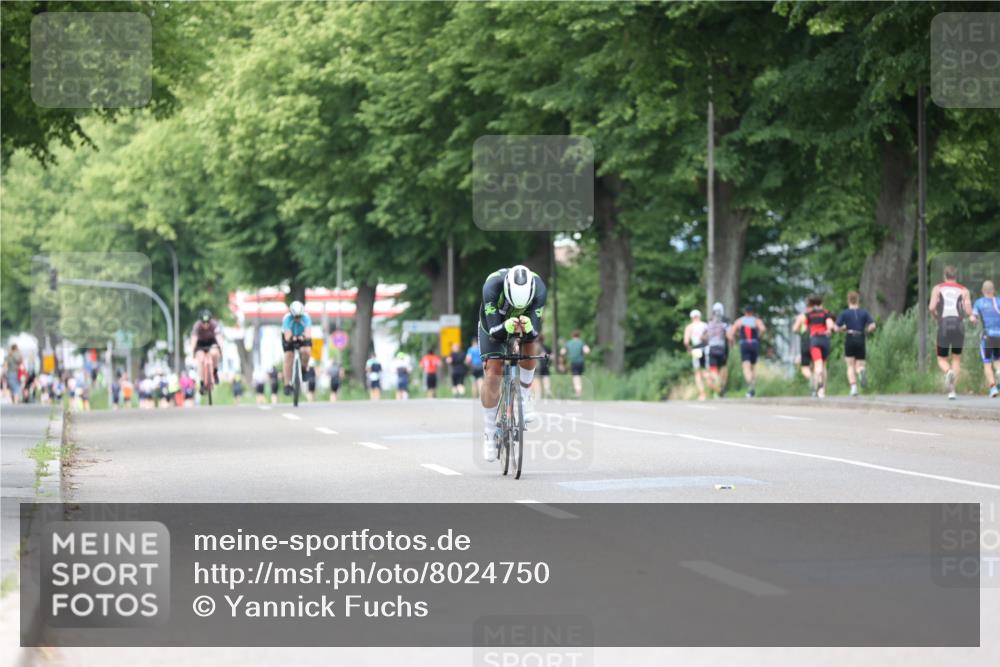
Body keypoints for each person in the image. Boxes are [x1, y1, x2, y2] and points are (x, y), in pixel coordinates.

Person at [479, 265, 547, 461]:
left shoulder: (539, 289)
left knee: (530, 345)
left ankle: (525, 396)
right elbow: (494, 332)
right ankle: (489, 432)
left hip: (522, 322)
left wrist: (529, 328)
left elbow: (535, 333)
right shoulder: (492, 286)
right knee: (494, 370)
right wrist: (506, 326)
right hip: (493, 323)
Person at [930, 266, 972, 400]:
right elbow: (968, 310)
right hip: (959, 324)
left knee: (941, 359)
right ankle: (953, 391)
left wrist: (936, 316)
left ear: (945, 276)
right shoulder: (964, 290)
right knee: (956, 358)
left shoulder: (937, 288)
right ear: (956, 276)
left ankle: (948, 373)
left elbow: (931, 307)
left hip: (944, 324)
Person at [835, 291, 877, 397]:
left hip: (850, 338)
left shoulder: (844, 313)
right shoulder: (864, 312)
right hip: (860, 338)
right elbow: (873, 325)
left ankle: (853, 388)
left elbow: (836, 328)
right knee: (860, 364)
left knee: (850, 365)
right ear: (858, 300)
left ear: (848, 300)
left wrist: (843, 328)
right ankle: (861, 371)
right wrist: (867, 330)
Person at [970, 280, 1000, 398]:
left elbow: (973, 317)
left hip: (987, 337)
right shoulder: (998, 301)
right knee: (997, 360)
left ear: (983, 291)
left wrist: (973, 320)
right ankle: (999, 372)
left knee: (987, 363)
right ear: (993, 290)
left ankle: (993, 388)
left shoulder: (979, 303)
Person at [729, 305, 766, 398]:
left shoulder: (740, 321)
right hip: (754, 343)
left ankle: (750, 386)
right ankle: (752, 386)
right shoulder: (756, 321)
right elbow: (763, 329)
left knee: (746, 366)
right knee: (753, 367)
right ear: (752, 312)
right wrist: (759, 337)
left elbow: (731, 333)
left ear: (745, 312)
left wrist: (733, 342)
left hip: (744, 344)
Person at [804, 295, 837, 399]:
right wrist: (829, 330)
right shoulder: (825, 313)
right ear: (821, 303)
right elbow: (830, 325)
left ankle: (817, 387)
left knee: (817, 366)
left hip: (814, 340)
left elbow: (805, 328)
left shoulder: (809, 315)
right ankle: (822, 391)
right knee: (824, 366)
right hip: (825, 340)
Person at [281, 300, 313, 396]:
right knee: (288, 356)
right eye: (295, 317)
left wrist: (303, 337)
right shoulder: (287, 319)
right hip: (290, 336)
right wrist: (292, 338)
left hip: (302, 336)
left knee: (306, 351)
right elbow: (287, 336)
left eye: (299, 316)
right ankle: (287, 384)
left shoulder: (306, 318)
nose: (297, 319)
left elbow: (308, 334)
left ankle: (304, 368)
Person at [190, 309, 222, 395]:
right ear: (200, 321)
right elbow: (193, 340)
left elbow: (219, 338)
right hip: (200, 344)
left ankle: (215, 372)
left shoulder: (214, 324)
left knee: (214, 353)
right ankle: (202, 382)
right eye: (203, 322)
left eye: (208, 322)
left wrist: (221, 350)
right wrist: (192, 352)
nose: (206, 324)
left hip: (212, 342)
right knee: (200, 359)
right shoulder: (197, 326)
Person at [705, 303, 730, 397]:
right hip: (722, 349)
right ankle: (721, 386)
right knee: (723, 367)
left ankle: (718, 385)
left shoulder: (709, 324)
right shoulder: (725, 324)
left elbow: (705, 336)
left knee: (713, 369)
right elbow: (729, 335)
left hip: (712, 348)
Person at [683, 310, 709, 401]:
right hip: (706, 347)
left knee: (698, 372)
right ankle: (712, 389)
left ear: (691, 317)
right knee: (707, 370)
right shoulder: (705, 325)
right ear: (699, 316)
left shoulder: (690, 327)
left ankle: (702, 394)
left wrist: (689, 349)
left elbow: (686, 342)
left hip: (696, 349)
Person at [560, 330, 590, 399]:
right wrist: (583, 354)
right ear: (579, 336)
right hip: (581, 362)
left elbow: (562, 352)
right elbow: (587, 351)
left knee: (575, 377)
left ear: (572, 336)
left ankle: (578, 392)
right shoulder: (581, 342)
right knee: (579, 376)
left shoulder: (569, 343)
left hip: (573, 362)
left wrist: (565, 356)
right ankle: (579, 390)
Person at [791, 309, 814, 386]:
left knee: (804, 367)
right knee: (816, 365)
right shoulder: (821, 314)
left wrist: (800, 332)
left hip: (806, 342)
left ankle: (813, 381)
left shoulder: (802, 316)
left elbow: (794, 329)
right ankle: (818, 386)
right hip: (817, 340)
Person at [534, 333, 553, 400]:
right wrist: (549, 363)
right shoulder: (546, 347)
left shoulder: (534, 347)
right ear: (543, 339)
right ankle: (547, 391)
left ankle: (538, 394)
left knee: (537, 379)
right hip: (545, 365)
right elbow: (551, 356)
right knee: (546, 378)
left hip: (537, 365)